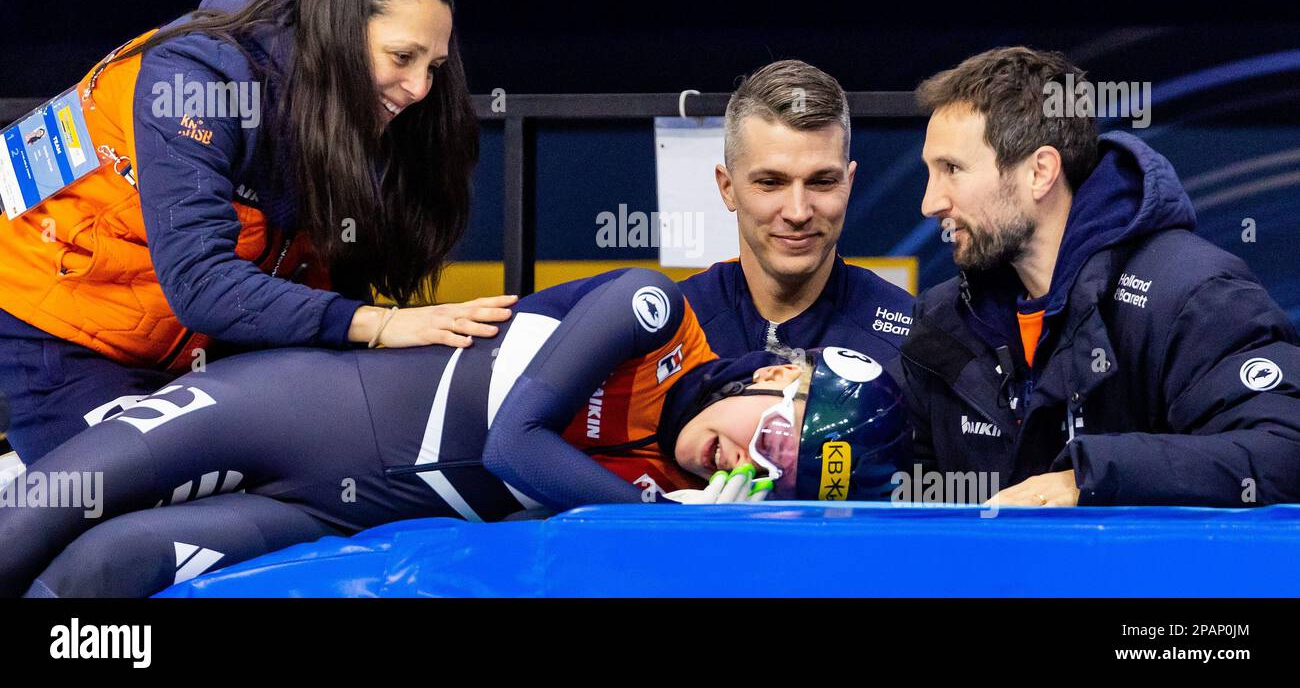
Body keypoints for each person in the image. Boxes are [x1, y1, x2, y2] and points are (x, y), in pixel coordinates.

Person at [0, 268, 908, 597]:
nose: (745, 468)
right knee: (39, 514)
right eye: (772, 442)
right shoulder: (656, 312)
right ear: (776, 375)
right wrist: (659, 516)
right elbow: (515, 442)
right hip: (289, 408)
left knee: (98, 577)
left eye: (772, 483)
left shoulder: (662, 502)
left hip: (328, 514)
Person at [0, 0, 513, 464]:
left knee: (333, 465)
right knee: (140, 501)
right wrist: (379, 324)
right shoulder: (193, 82)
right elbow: (202, 283)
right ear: (337, 28)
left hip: (201, 345)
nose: (420, 90)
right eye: (402, 57)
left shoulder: (347, 100)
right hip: (59, 335)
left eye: (432, 66)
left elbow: (311, 280)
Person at [901, 46, 1300, 507]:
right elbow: (916, 507)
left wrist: (1088, 478)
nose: (930, 203)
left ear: (1040, 172)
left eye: (951, 170)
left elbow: (1285, 450)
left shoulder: (1191, 294)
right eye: (931, 172)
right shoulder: (942, 319)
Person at [680, 60, 914, 364]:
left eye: (822, 182)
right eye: (771, 182)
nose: (798, 212)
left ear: (849, 182)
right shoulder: (673, 329)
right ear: (727, 188)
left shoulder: (913, 344)